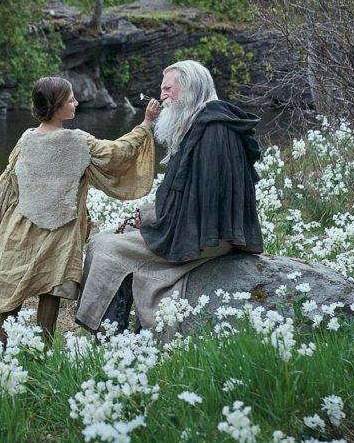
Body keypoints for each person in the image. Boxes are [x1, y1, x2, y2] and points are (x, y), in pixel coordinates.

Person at [75, 60, 263, 336]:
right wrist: (152, 216)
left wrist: (154, 219)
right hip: (200, 230)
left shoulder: (212, 132)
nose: (161, 97)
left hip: (205, 238)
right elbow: (190, 196)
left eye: (167, 89)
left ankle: (109, 334)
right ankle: (117, 330)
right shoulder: (206, 123)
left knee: (105, 247)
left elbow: (203, 204)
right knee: (118, 234)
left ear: (188, 89)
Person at [0, 76, 160, 344]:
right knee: (51, 288)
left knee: (13, 287)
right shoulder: (78, 142)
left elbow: (8, 187)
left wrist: (1, 224)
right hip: (60, 229)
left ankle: (2, 349)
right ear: (56, 105)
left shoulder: (25, 139)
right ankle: (41, 350)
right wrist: (146, 124)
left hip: (20, 227)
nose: (76, 102)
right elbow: (118, 153)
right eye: (71, 99)